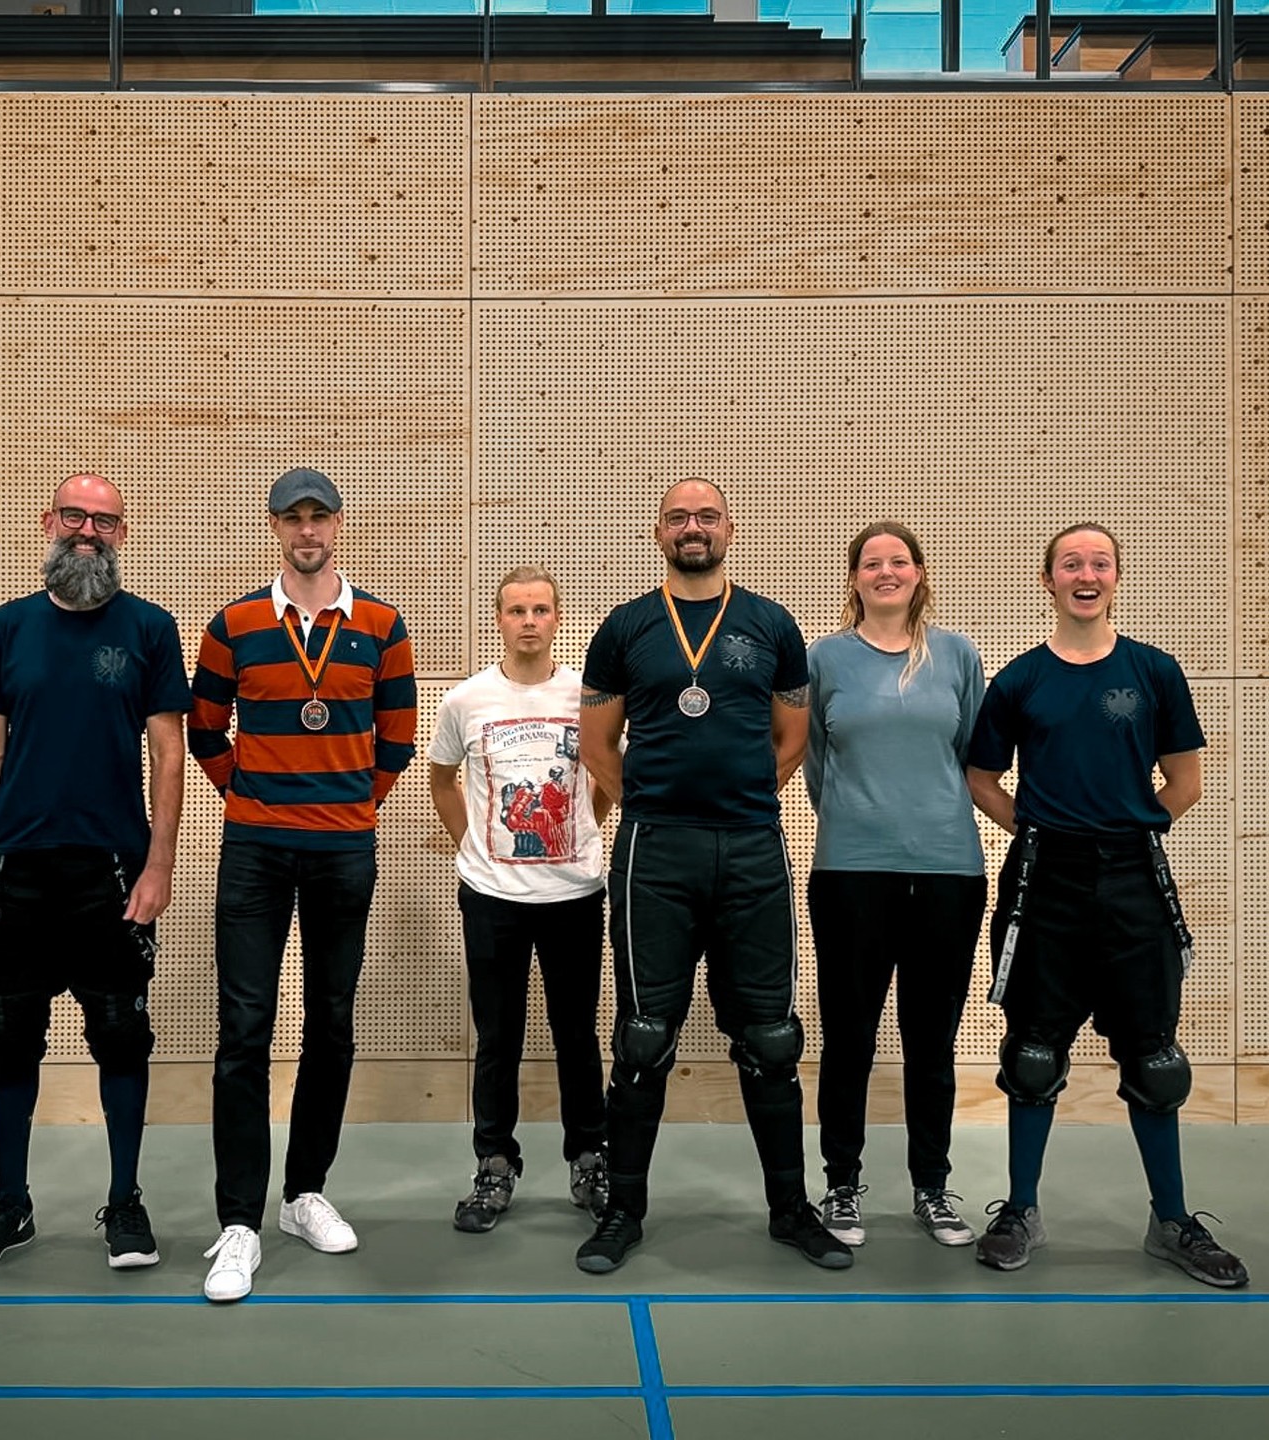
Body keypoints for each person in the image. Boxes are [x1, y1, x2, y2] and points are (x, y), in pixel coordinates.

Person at [573, 478, 850, 1274]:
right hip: (655, 854)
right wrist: (657, 807)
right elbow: (598, 748)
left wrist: (736, 801)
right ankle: (623, 1210)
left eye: (706, 516)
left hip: (752, 849)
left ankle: (791, 1211)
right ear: (657, 531)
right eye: (677, 518)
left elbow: (791, 739)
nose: (692, 528)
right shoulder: (625, 627)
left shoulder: (770, 623)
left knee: (770, 1036)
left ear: (731, 527)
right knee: (643, 1037)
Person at [965, 522, 1248, 1287]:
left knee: (1155, 1063)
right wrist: (1044, 831)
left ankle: (1173, 1222)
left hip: (1133, 883)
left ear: (1116, 577)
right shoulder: (1020, 681)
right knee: (1031, 1055)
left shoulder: (1155, 672)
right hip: (1044, 884)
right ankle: (1020, 1208)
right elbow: (983, 778)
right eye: (1070, 563)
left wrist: (1120, 829)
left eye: (1099, 563)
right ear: (1047, 579)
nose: (1085, 574)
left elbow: (1183, 784)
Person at [0, 473, 189, 1274]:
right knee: (9, 1043)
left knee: (121, 1038)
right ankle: (10, 1203)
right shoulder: (6, 627)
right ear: (48, 522)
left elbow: (167, 752)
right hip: (15, 870)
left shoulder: (152, 629)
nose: (89, 532)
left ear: (123, 534)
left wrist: (158, 863)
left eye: (106, 521)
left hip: (113, 872)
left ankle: (124, 1203)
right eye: (76, 516)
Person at [188, 467, 417, 1302]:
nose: (308, 531)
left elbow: (395, 742)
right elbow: (206, 728)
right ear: (275, 528)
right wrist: (251, 797)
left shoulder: (383, 627)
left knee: (331, 1021)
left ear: (339, 525)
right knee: (244, 1029)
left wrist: (348, 805)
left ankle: (304, 1193)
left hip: (344, 851)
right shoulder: (235, 624)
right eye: (293, 519)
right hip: (254, 849)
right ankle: (239, 1222)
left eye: (320, 517)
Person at [803, 522, 987, 1249]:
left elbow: (973, 755)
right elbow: (814, 758)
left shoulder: (957, 654)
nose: (886, 572)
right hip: (852, 871)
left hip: (949, 870)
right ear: (854, 578)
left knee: (931, 1041)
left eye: (898, 561)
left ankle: (933, 1188)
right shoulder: (827, 659)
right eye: (872, 563)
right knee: (849, 1037)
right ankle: (842, 1187)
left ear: (918, 573)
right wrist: (861, 819)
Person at [428, 565, 614, 1233]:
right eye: (516, 610)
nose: (529, 621)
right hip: (492, 896)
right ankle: (494, 1162)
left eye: (540, 609)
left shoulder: (587, 697)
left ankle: (590, 1156)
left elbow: (600, 776)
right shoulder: (467, 701)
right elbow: (443, 778)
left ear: (558, 618)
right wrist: (470, 843)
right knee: (497, 1035)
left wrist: (580, 829)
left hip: (574, 893)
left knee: (577, 1034)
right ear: (500, 619)